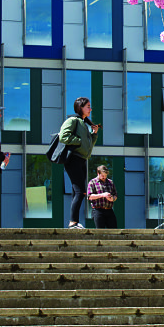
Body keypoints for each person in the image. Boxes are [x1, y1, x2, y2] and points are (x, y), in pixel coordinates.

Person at [59, 97, 100, 229]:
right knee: (81, 191)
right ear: (80, 107)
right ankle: (73, 223)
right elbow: (63, 136)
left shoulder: (83, 123)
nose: (90, 108)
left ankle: (74, 222)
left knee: (77, 192)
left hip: (82, 160)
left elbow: (88, 146)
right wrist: (79, 141)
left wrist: (94, 134)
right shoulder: (73, 120)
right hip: (74, 159)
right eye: (88, 106)